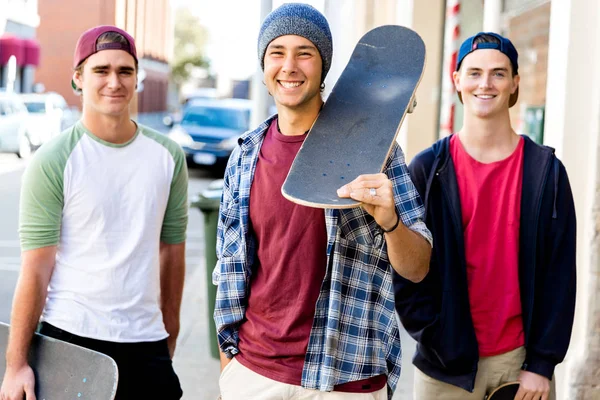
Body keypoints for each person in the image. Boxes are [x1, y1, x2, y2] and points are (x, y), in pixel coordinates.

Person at [213, 3, 432, 400]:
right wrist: (230, 362)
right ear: (264, 67)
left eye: (305, 53)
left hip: (345, 381)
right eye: (277, 52)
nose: (290, 66)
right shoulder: (244, 157)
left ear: (324, 66)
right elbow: (229, 268)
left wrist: (391, 223)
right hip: (255, 374)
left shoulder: (375, 152)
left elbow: (418, 269)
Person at [0, 25, 188, 400]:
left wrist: (169, 333)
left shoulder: (169, 157)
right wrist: (15, 364)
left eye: (125, 71)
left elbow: (172, 253)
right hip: (71, 341)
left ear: (137, 79)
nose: (114, 82)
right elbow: (36, 269)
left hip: (146, 342)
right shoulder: (54, 159)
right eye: (101, 70)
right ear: (78, 79)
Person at [394, 32, 576, 400]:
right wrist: (434, 335)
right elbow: (406, 269)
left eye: (498, 73)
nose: (485, 84)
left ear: (514, 84)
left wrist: (542, 364)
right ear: (457, 81)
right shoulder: (428, 169)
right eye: (474, 73)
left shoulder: (546, 173)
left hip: (521, 367)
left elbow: (560, 275)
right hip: (444, 368)